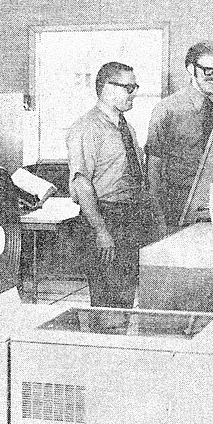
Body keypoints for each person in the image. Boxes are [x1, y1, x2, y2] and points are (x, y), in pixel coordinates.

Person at [66, 61, 151, 309]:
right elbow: (81, 184)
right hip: (105, 217)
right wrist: (101, 230)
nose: (134, 92)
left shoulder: (127, 127)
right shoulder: (87, 128)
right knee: (106, 298)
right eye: (129, 87)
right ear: (106, 88)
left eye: (135, 86)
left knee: (126, 292)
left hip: (130, 216)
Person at [146, 42, 213, 235]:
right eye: (207, 70)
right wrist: (157, 217)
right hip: (178, 204)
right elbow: (153, 167)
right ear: (191, 69)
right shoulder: (167, 109)